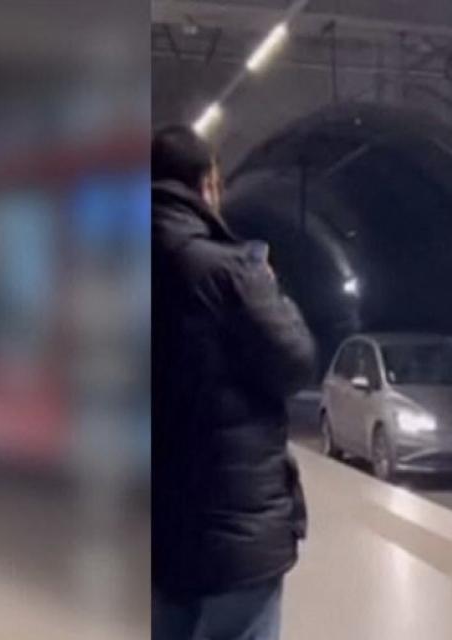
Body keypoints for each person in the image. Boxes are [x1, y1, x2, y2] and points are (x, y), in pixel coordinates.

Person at [151, 125, 317, 640]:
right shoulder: (228, 272)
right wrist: (268, 285)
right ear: (207, 187)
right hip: (234, 527)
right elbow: (295, 363)